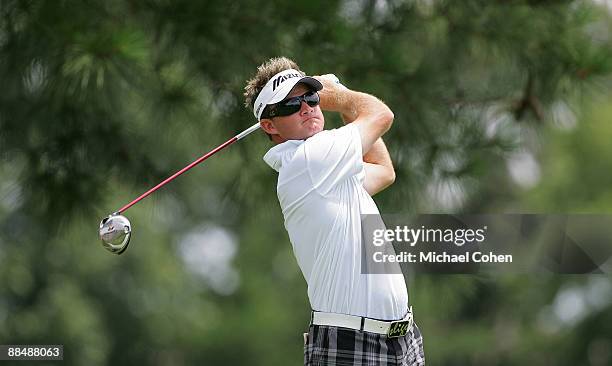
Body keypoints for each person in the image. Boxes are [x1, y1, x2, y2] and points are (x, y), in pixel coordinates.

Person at [244, 57, 425, 366]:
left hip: (402, 339)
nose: (307, 108)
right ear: (269, 125)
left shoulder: (328, 167)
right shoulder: (309, 161)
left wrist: (341, 100)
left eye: (311, 97)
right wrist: (337, 95)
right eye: (290, 105)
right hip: (352, 343)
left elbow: (383, 170)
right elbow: (381, 114)